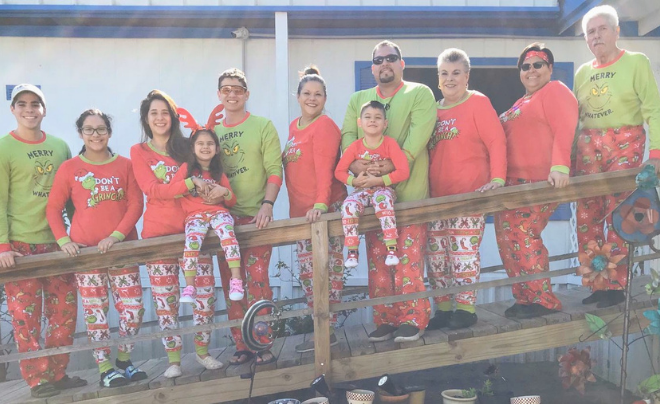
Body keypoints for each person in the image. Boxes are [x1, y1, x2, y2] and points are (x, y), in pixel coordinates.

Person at [341, 40, 435, 343]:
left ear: (401, 63)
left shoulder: (419, 93)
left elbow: (418, 136)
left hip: (409, 194)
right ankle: (386, 319)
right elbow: (347, 137)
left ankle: (413, 319)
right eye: (379, 59)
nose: (385, 64)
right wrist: (358, 170)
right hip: (370, 197)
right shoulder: (359, 99)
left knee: (407, 262)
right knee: (379, 264)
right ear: (372, 67)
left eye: (391, 58)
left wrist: (386, 170)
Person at [46, 109, 146, 388]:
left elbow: (136, 204)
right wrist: (64, 240)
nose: (95, 134)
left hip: (121, 250)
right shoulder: (70, 168)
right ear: (81, 134)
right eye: (89, 129)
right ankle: (105, 368)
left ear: (109, 133)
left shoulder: (125, 165)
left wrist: (115, 236)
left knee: (134, 309)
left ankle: (124, 361)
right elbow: (53, 209)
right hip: (86, 254)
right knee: (96, 313)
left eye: (101, 129)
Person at [0, 84, 87, 398]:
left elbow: (70, 199)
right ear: (13, 109)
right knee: (26, 319)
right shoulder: (4, 148)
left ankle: (57, 373)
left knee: (64, 314)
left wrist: (81, 232)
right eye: (22, 104)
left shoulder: (60, 146)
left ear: (44, 109)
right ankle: (38, 380)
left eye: (35, 104)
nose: (29, 109)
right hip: (20, 247)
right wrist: (3, 245)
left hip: (58, 243)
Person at [130, 90, 223, 378]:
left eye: (165, 112)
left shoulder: (187, 146)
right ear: (146, 119)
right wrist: (187, 183)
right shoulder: (139, 152)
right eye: (154, 113)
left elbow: (211, 174)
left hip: (195, 231)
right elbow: (152, 190)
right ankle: (173, 360)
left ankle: (204, 352)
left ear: (173, 116)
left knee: (204, 295)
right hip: (158, 237)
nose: (160, 118)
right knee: (165, 300)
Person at [574, 5, 660, 307]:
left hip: (624, 145)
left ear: (616, 31)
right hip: (587, 151)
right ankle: (597, 284)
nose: (596, 36)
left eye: (602, 29)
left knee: (617, 212)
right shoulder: (583, 72)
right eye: (590, 32)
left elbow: (654, 109)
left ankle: (615, 286)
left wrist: (656, 154)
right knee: (587, 217)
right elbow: (574, 120)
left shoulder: (636, 62)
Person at [494, 43, 578, 319]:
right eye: (526, 66)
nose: (531, 70)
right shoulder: (522, 102)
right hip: (511, 185)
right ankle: (524, 298)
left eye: (538, 64)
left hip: (537, 182)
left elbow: (565, 128)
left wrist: (560, 166)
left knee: (523, 236)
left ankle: (543, 300)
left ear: (550, 68)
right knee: (508, 241)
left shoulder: (555, 91)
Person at [426, 49, 507, 330]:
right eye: (444, 73)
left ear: (466, 76)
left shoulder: (478, 103)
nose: (450, 79)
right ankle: (444, 309)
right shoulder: (432, 110)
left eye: (456, 73)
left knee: (462, 257)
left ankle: (465, 309)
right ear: (438, 79)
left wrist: (497, 179)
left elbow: (496, 141)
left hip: (470, 197)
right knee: (437, 258)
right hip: (435, 200)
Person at [213, 68, 283, 365]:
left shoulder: (263, 126)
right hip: (223, 222)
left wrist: (267, 204)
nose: (232, 93)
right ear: (219, 94)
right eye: (226, 89)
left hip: (256, 219)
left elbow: (274, 170)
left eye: (238, 88)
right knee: (233, 286)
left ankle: (262, 344)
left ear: (247, 93)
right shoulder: (211, 134)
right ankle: (241, 346)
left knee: (257, 282)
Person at [283, 66, 348, 353]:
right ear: (297, 96)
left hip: (322, 211)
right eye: (307, 93)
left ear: (325, 98)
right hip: (302, 214)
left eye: (318, 94)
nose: (312, 98)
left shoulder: (324, 126)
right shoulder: (293, 127)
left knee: (326, 272)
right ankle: (320, 331)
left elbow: (325, 170)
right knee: (310, 275)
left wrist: (321, 205)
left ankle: (328, 333)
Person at [169, 110, 243, 305]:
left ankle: (236, 280)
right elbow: (173, 191)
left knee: (229, 236)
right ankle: (190, 286)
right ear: (192, 148)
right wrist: (192, 182)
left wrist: (224, 192)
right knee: (192, 243)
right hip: (195, 216)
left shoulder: (219, 173)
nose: (205, 147)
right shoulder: (187, 170)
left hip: (219, 213)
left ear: (217, 149)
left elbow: (231, 200)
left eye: (210, 143)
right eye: (200, 143)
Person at [336, 101, 409, 268]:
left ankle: (391, 249)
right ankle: (352, 251)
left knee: (382, 201)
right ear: (359, 123)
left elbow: (403, 171)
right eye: (367, 117)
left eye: (377, 117)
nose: (372, 121)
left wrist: (379, 180)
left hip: (383, 189)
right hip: (361, 190)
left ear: (385, 124)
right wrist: (354, 181)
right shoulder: (355, 147)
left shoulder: (389, 144)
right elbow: (339, 171)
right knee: (348, 206)